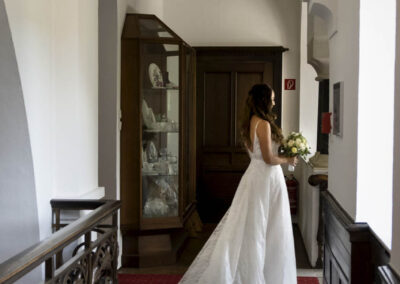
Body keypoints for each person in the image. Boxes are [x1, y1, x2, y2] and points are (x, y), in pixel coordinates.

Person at [179, 83, 298, 284]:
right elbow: (268, 158)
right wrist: (288, 160)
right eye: (272, 98)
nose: (274, 102)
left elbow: (256, 155)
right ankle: (266, 275)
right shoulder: (264, 124)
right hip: (267, 178)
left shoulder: (250, 121)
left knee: (252, 226)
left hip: (254, 176)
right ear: (264, 100)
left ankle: (251, 271)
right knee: (269, 227)